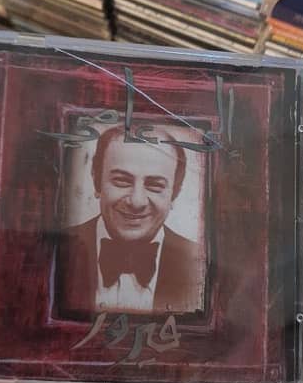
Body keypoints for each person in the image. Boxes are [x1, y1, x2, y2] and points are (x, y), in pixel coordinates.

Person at [52, 125, 202, 317]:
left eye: (155, 185)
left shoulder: (198, 263)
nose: (137, 202)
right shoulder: (54, 251)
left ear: (175, 193)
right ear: (97, 181)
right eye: (122, 181)